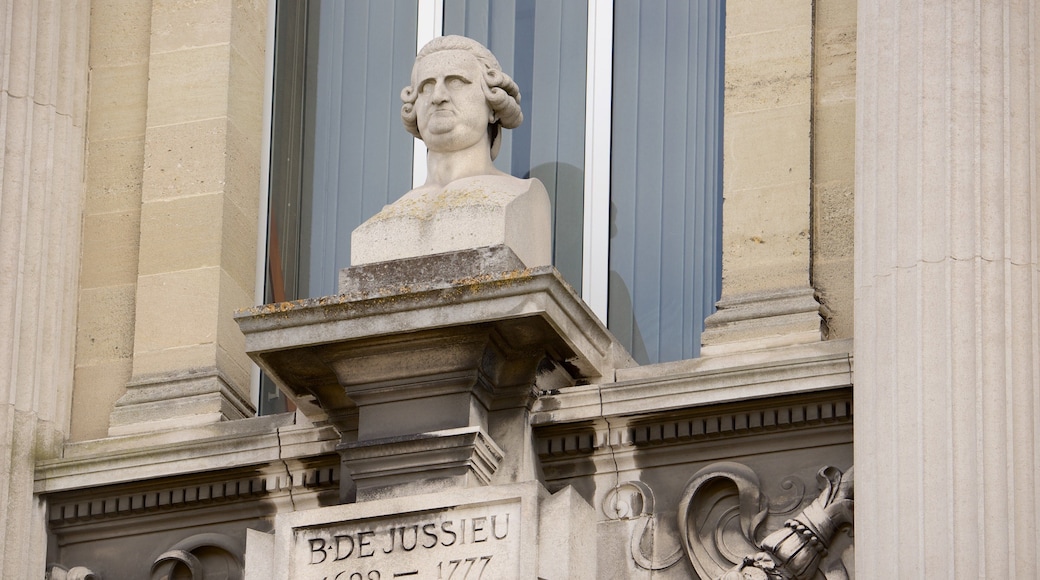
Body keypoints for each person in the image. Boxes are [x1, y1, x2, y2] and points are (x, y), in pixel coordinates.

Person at [351, 36, 551, 268]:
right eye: (426, 87)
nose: (438, 97)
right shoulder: (386, 219)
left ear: (493, 105)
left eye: (456, 81)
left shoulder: (522, 196)